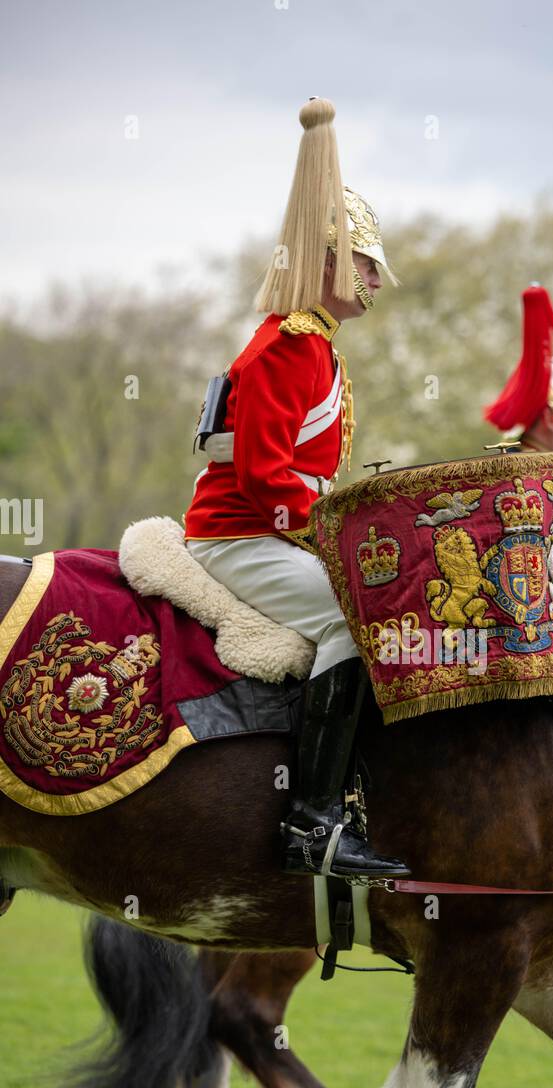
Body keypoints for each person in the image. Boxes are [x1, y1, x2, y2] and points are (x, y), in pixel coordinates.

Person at [183, 97, 410, 882]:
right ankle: (312, 822)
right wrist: (329, 531)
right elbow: (263, 474)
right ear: (328, 262)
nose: (376, 278)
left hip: (270, 528)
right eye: (367, 262)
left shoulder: (318, 348)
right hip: (241, 534)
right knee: (355, 620)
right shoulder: (291, 344)